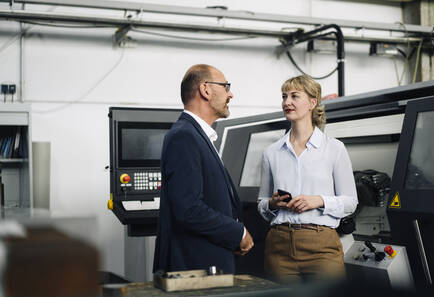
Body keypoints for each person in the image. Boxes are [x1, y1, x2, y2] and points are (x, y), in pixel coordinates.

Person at [153, 64, 254, 274]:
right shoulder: (184, 136)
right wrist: (238, 232)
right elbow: (189, 209)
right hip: (195, 267)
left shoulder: (197, 136)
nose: (231, 94)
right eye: (226, 87)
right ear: (205, 89)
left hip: (210, 261)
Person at [257, 74, 358, 283]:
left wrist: (319, 200)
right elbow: (261, 204)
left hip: (322, 245)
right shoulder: (271, 152)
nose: (287, 102)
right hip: (279, 245)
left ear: (312, 103)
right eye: (284, 96)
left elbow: (350, 202)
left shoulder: (334, 149)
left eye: (294, 96)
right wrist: (272, 203)